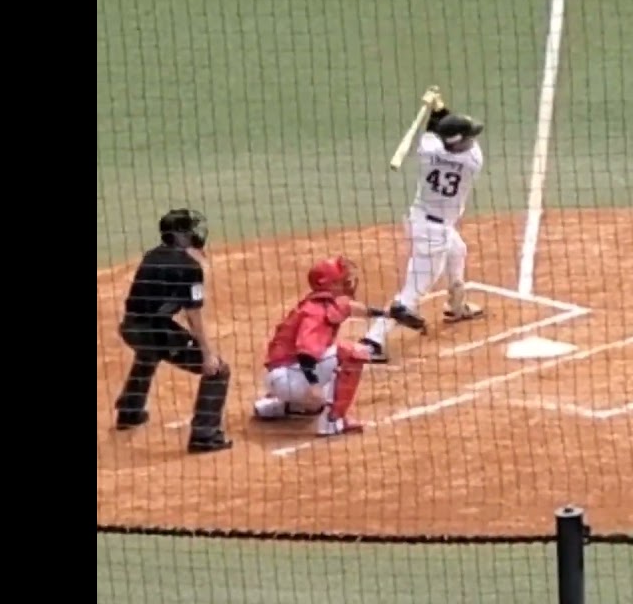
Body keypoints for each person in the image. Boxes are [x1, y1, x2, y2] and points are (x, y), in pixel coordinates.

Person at [360, 85, 487, 363]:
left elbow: (434, 128)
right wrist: (439, 106)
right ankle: (372, 341)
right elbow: (442, 126)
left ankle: (456, 307)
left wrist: (435, 106)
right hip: (435, 234)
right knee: (413, 291)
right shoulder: (472, 160)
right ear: (459, 142)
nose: (472, 139)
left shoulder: (428, 150)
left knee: (458, 251)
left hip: (419, 218)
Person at [252, 256, 425, 435]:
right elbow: (306, 352)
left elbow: (350, 308)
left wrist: (388, 314)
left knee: (327, 381)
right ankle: (332, 421)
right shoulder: (316, 312)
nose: (347, 282)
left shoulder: (319, 303)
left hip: (282, 376)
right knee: (353, 353)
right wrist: (313, 385)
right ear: (330, 284)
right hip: (291, 377)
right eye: (341, 280)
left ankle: (278, 406)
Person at [111, 208, 233, 454]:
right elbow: (193, 314)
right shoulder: (189, 267)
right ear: (179, 234)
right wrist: (207, 354)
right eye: (189, 229)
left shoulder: (152, 255)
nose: (194, 233)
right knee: (218, 371)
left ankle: (130, 411)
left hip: (130, 327)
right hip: (153, 332)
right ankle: (204, 436)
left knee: (149, 353)